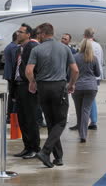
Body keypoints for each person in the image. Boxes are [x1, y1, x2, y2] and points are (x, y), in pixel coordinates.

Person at [26, 23, 79, 168]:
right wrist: (72, 84)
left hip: (43, 87)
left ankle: (58, 157)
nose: (38, 36)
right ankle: (45, 151)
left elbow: (29, 70)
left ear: (43, 33)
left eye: (38, 34)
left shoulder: (37, 49)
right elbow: (75, 70)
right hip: (58, 87)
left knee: (51, 122)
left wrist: (32, 82)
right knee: (61, 122)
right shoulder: (64, 48)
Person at [12, 24, 41, 159]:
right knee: (22, 118)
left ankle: (35, 148)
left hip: (28, 86)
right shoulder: (20, 49)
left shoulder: (32, 47)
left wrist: (33, 82)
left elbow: (36, 67)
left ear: (28, 34)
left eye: (21, 32)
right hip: (19, 86)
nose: (18, 34)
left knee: (31, 119)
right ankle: (27, 146)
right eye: (18, 32)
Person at [72, 39, 100, 143]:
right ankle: (83, 134)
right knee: (86, 110)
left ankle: (81, 133)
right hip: (91, 87)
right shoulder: (94, 58)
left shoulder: (75, 57)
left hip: (78, 86)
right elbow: (97, 74)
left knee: (79, 111)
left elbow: (70, 71)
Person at [2, 31, 18, 122]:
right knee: (13, 95)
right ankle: (10, 115)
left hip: (8, 73)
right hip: (11, 74)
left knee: (11, 94)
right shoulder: (14, 47)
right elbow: (14, 62)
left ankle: (9, 115)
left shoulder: (9, 46)